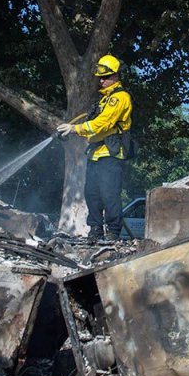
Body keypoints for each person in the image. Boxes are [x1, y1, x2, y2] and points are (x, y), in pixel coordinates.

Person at [57, 54, 133, 242]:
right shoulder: (103, 100)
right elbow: (94, 124)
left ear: (116, 76)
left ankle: (113, 233)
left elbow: (104, 123)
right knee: (92, 194)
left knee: (109, 194)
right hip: (96, 153)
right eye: (100, 77)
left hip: (111, 154)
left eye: (105, 77)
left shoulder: (120, 97)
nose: (102, 80)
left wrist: (74, 128)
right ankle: (95, 232)